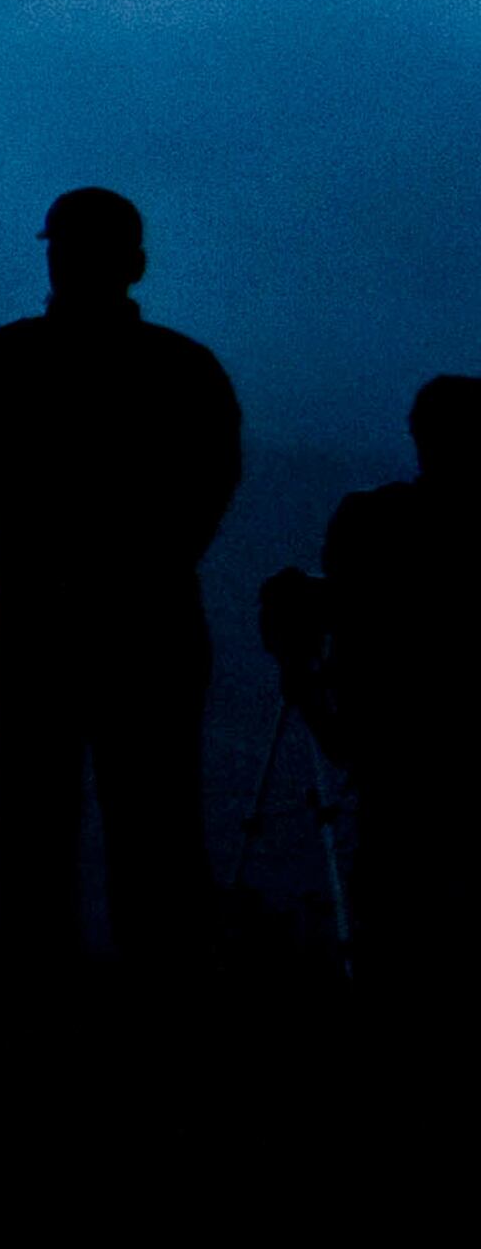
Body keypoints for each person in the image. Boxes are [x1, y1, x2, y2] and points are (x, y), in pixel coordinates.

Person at [0, 187, 241, 962]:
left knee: (39, 828)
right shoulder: (186, 370)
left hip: (42, 630)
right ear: (137, 264)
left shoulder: (4, 360)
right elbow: (209, 489)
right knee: (155, 827)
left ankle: (44, 1005)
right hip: (147, 630)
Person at [263, 375, 477, 977]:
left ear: (418, 437)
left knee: (395, 928)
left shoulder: (372, 524)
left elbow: (342, 727)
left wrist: (301, 677)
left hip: (396, 784)